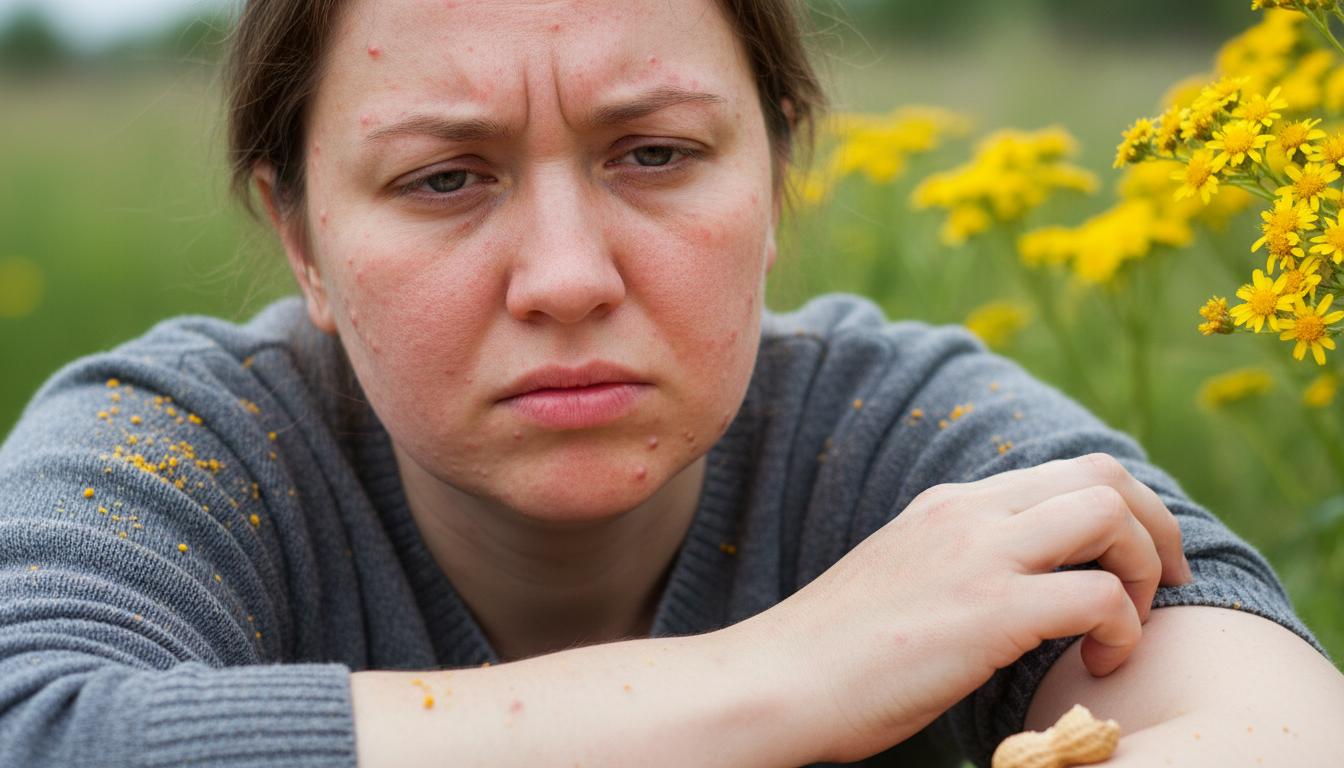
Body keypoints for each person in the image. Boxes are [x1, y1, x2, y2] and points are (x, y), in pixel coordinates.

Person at [0, 0, 1341, 765]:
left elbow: (1273, 721)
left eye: (652, 154)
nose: (569, 276)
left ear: (777, 181)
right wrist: (784, 678)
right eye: (444, 178)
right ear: (301, 237)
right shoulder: (180, 453)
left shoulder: (897, 435)